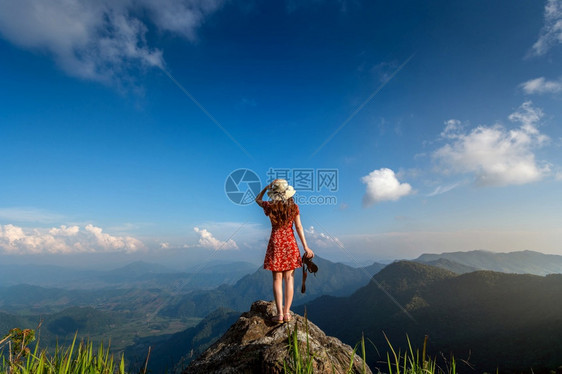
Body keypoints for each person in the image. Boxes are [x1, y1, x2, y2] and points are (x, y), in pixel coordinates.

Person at [255, 178, 314, 323]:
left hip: (276, 242)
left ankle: (280, 314)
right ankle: (287, 313)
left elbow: (257, 199)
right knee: (289, 279)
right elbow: (299, 227)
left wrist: (266, 188)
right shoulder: (294, 207)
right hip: (290, 242)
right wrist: (306, 246)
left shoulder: (270, 206)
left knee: (277, 278)